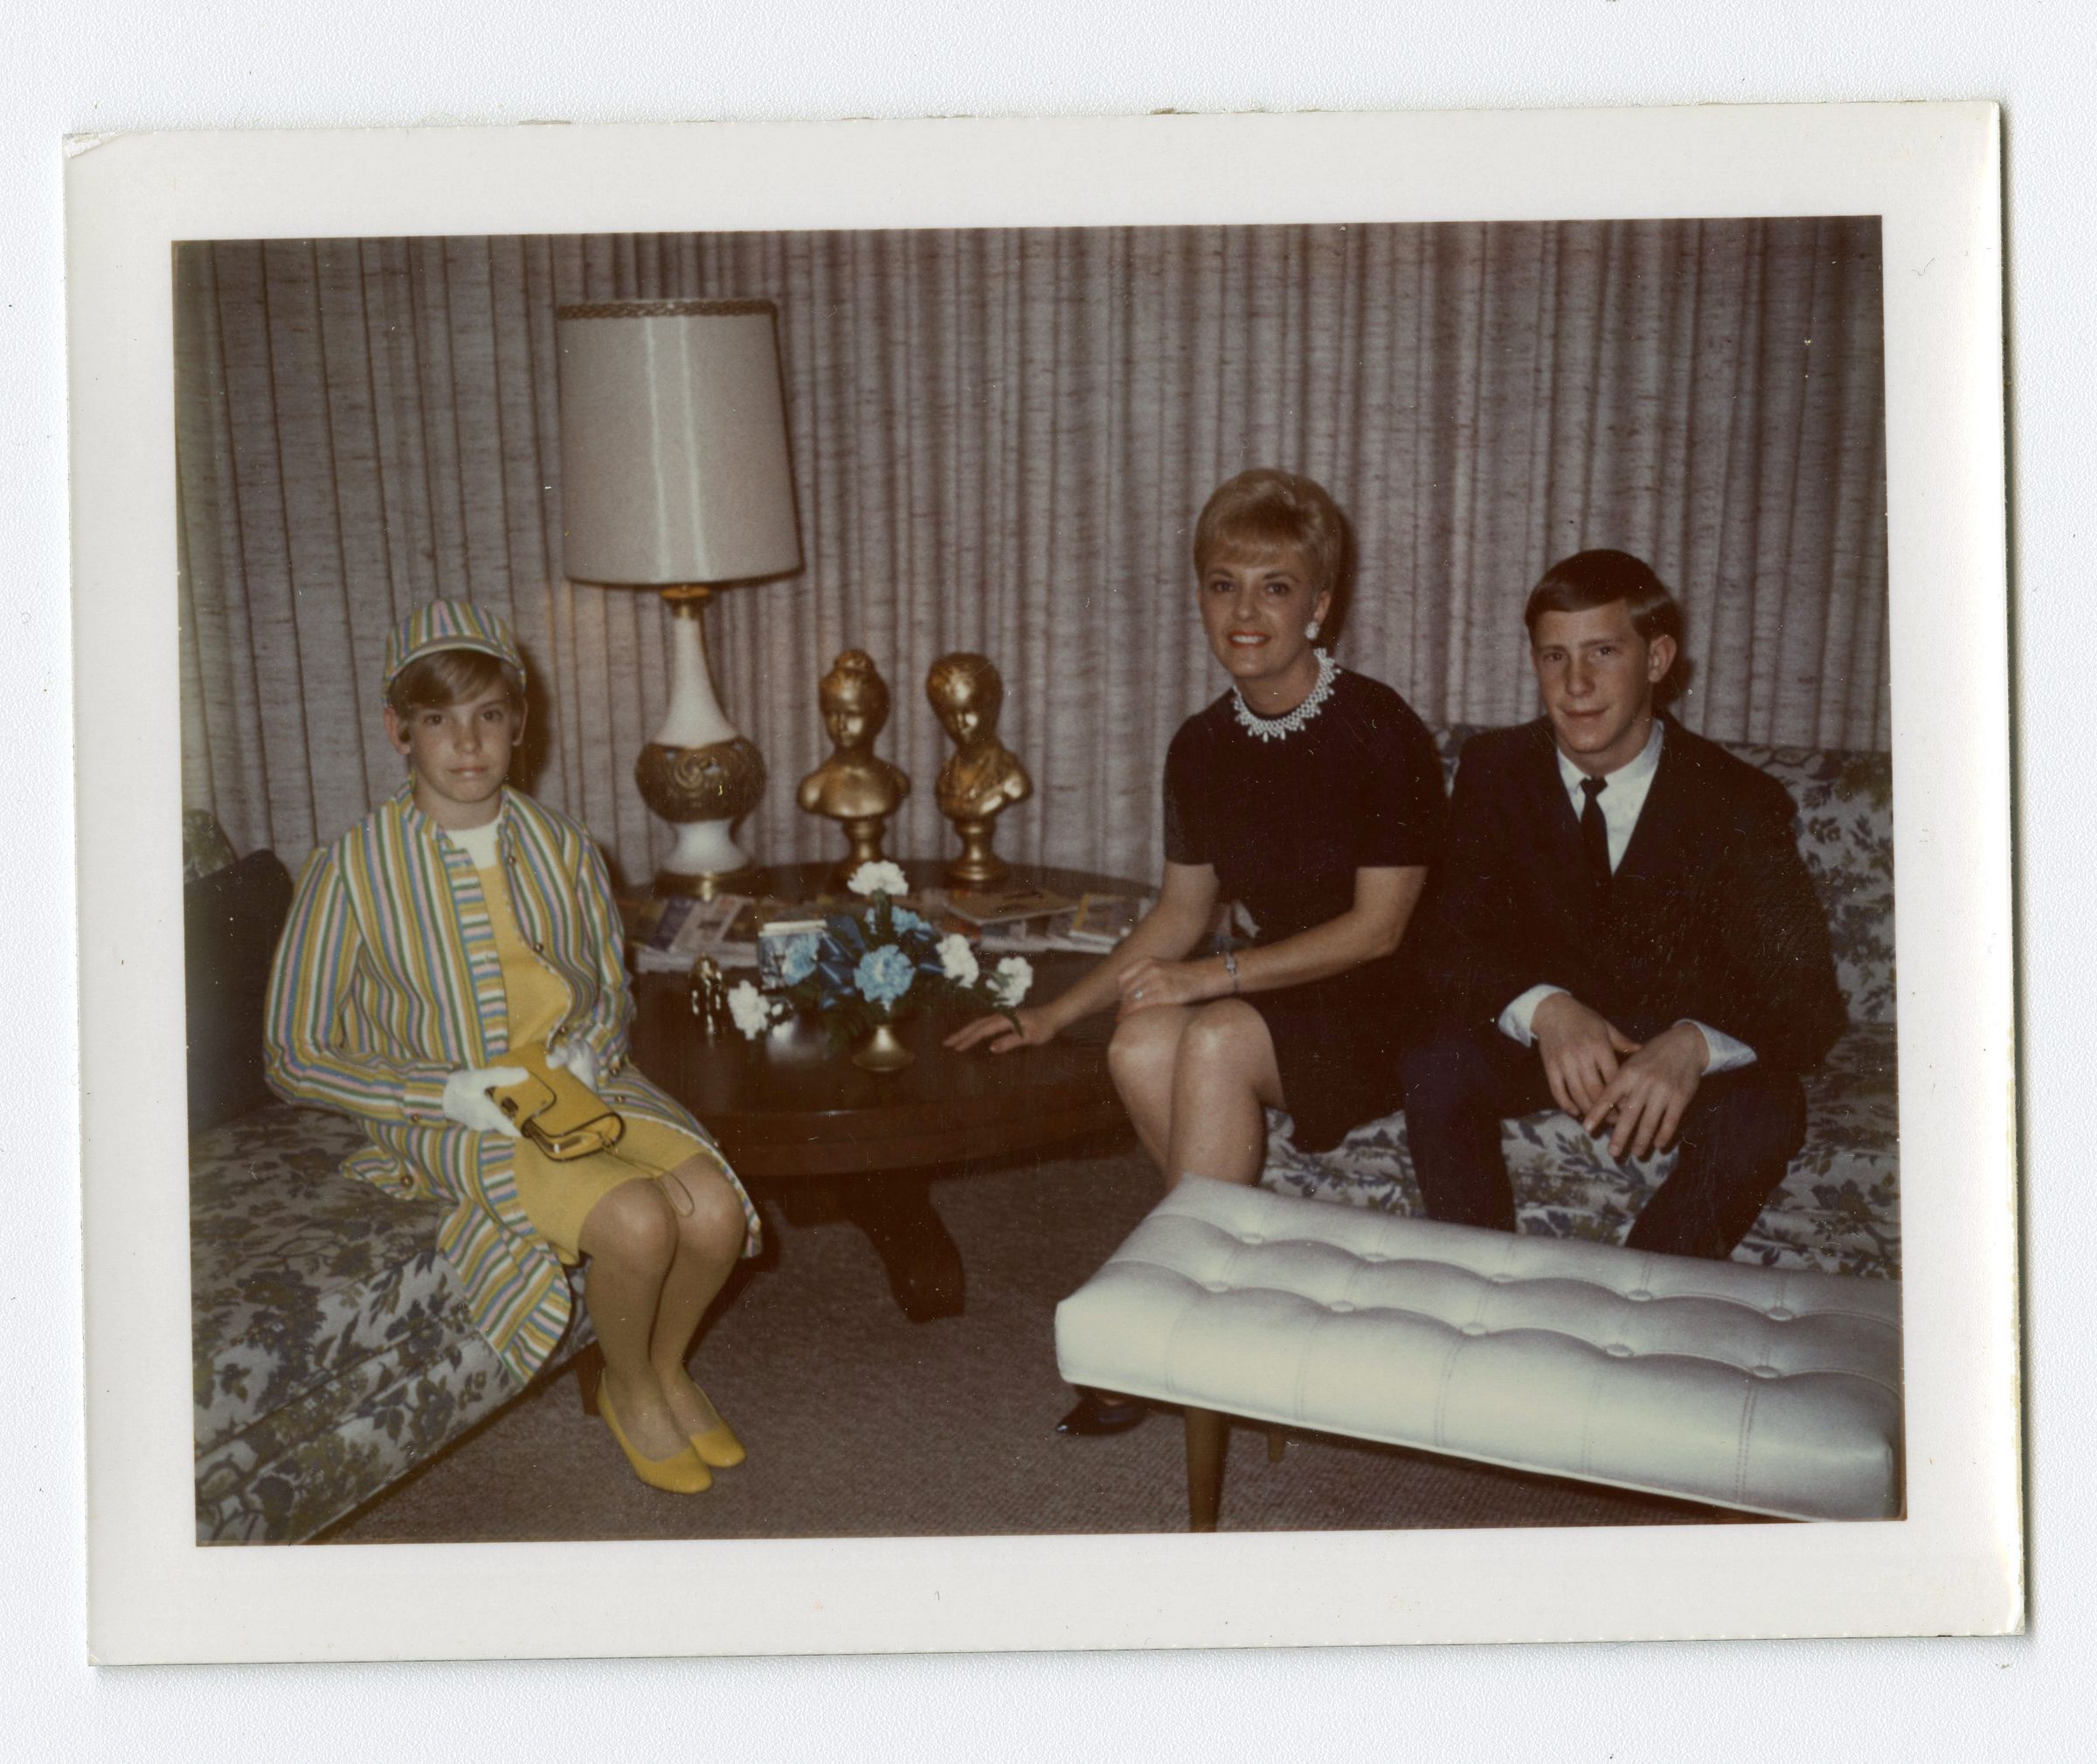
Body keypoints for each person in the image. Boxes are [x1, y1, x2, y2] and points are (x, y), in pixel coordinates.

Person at [945, 468, 1445, 1433]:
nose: (1245, 613)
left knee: (1212, 1036)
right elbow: (1179, 914)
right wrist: (1054, 1011)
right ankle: (1229, 1294)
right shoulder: (1202, 745)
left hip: (1397, 998)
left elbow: (1379, 931)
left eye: (1274, 587)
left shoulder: (1379, 729)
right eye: (1224, 585)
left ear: (1320, 605)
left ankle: (1167, 1323)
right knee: (1139, 1039)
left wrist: (1212, 978)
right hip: (1278, 987)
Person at [264, 599, 762, 1495]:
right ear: (398, 732)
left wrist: (588, 1047)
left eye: (489, 714)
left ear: (520, 725)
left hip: (578, 1083)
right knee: (640, 1221)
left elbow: (607, 984)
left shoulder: (564, 846)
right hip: (452, 1111)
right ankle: (629, 1386)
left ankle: (664, 1364)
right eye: (437, 719)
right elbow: (292, 1053)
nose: (467, 742)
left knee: (717, 1211)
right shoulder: (350, 869)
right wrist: (443, 1095)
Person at [1401, 549, 1846, 1260]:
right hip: (1544, 1049)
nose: (1576, 684)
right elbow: (1444, 944)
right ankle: (1477, 1283)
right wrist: (1545, 1008)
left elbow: (1808, 997)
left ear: (1657, 658)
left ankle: (1637, 1293)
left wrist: (1693, 1044)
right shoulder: (1495, 769)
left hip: (1668, 1060)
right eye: (1554, 657)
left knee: (1768, 1110)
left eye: (1603, 652)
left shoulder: (1737, 799)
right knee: (1436, 1059)